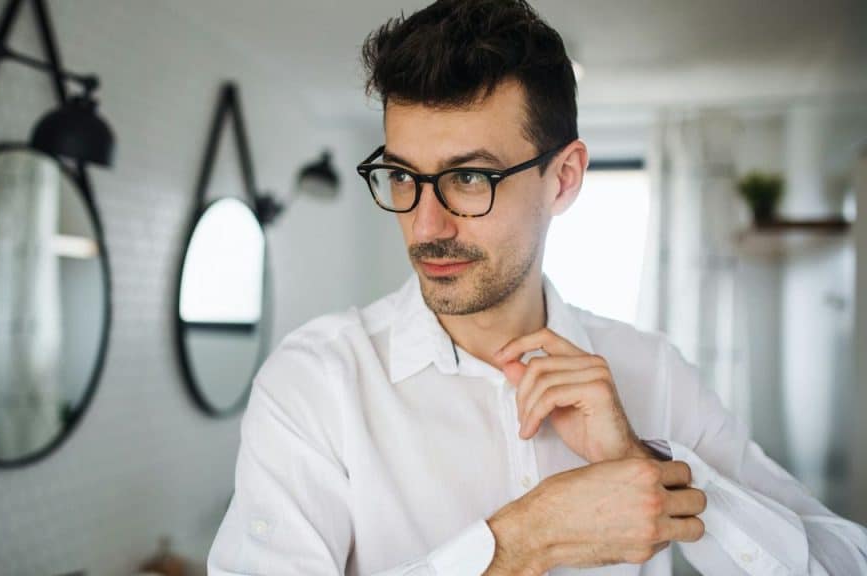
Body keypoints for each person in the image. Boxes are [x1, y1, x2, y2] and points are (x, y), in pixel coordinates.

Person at [207, 1, 867, 573]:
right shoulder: (316, 384)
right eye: (403, 176)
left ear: (564, 179)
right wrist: (525, 539)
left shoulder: (655, 376)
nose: (425, 223)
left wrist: (655, 469)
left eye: (469, 178)